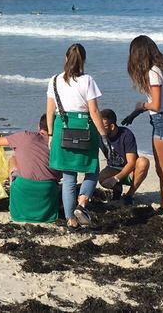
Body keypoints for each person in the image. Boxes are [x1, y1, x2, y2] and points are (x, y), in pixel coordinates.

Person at [46, 43, 110, 231]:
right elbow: (94, 110)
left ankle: (70, 221)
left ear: (66, 59)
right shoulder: (87, 80)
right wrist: (104, 135)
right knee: (92, 169)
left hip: (61, 128)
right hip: (84, 128)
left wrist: (50, 134)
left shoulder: (54, 80)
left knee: (68, 176)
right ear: (83, 60)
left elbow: (50, 111)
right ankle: (81, 205)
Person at [126, 35, 163, 219]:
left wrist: (141, 106)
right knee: (162, 169)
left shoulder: (153, 72)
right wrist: (135, 113)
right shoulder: (161, 68)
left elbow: (157, 104)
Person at [0, 114, 62, 223]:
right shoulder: (59, 144)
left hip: (22, 192)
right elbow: (59, 175)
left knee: (13, 159)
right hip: (48, 193)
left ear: (39, 126)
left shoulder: (25, 136)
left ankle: (13, 185)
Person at [97, 109, 150, 204]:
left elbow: (132, 163)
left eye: (102, 126)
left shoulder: (126, 134)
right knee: (101, 178)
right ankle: (117, 191)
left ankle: (129, 195)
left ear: (112, 126)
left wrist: (116, 178)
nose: (99, 128)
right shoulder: (99, 135)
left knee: (143, 162)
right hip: (113, 168)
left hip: (130, 170)